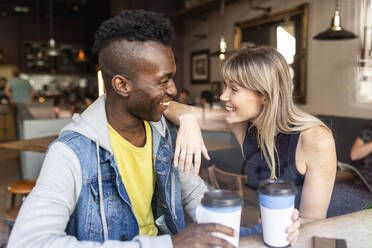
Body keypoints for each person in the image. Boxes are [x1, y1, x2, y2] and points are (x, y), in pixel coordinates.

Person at [8, 10, 248, 248]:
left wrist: (222, 231)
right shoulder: (70, 153)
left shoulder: (162, 130)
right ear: (121, 85)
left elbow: (193, 192)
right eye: (163, 81)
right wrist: (171, 245)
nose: (173, 90)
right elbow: (29, 242)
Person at [165, 46, 337, 226]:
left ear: (264, 95)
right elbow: (167, 105)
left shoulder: (316, 139)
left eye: (234, 89)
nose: (223, 96)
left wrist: (293, 226)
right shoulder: (243, 123)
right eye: (225, 86)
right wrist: (189, 120)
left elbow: (313, 222)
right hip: (262, 232)